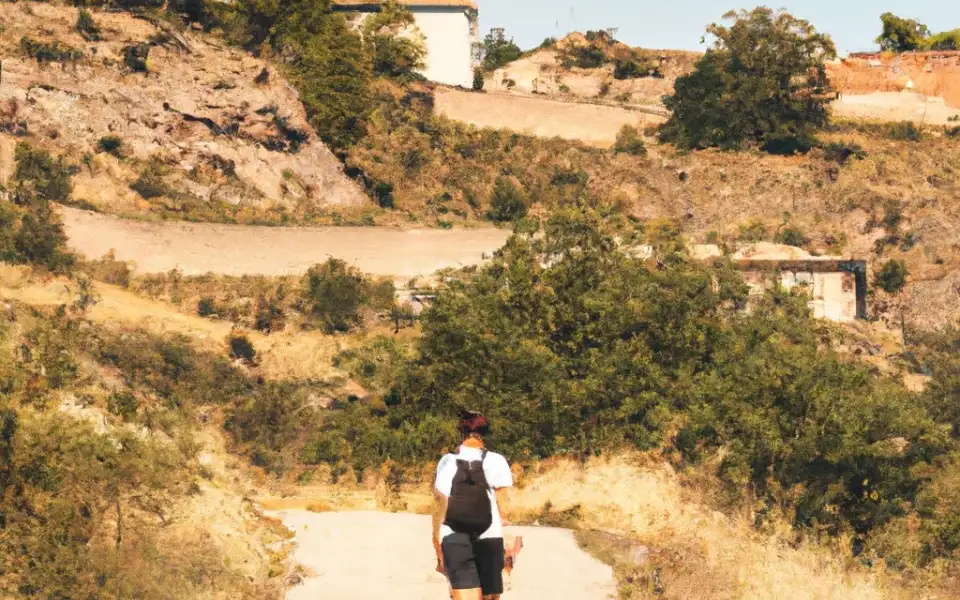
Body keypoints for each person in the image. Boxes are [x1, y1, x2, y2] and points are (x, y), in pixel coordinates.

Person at [432, 412, 513, 600]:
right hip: (489, 537)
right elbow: (505, 508)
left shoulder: (446, 461)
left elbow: (439, 507)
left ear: (461, 432)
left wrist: (437, 547)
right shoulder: (497, 460)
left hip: (453, 537)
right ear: (484, 433)